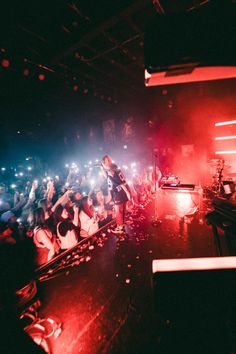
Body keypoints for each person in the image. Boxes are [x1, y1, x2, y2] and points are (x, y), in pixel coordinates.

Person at [101, 155, 131, 235]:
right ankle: (122, 223)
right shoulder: (115, 168)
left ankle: (120, 227)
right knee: (123, 209)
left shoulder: (111, 171)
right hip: (121, 192)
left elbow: (119, 182)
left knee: (119, 211)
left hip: (118, 192)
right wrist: (127, 191)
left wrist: (127, 191)